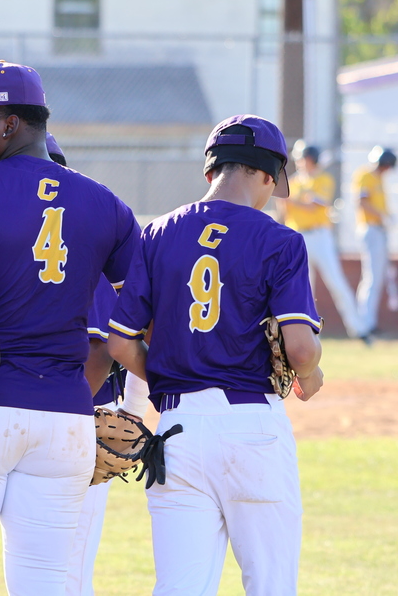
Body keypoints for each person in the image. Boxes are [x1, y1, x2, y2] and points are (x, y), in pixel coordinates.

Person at [0, 61, 141, 595]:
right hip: (64, 418)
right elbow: (141, 312)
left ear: (9, 124)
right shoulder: (106, 202)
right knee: (46, 582)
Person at [107, 114, 324, 596]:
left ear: (211, 170)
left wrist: (168, 374)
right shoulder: (280, 240)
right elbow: (301, 350)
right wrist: (311, 371)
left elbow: (121, 342)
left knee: (180, 588)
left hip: (176, 430)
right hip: (251, 425)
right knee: (270, 586)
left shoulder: (157, 233)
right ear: (268, 174)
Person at [45, 135, 149, 596]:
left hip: (72, 420)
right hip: (54, 419)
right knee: (56, 568)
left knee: (63, 569)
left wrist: (60, 415)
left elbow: (102, 351)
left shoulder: (77, 253)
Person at [278, 142, 366, 340]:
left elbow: (314, 205)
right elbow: (284, 212)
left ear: (312, 159)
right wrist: (287, 202)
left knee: (336, 282)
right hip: (298, 237)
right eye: (300, 159)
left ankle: (358, 329)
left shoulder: (323, 179)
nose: (302, 163)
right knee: (303, 287)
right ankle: (308, 334)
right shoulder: (293, 181)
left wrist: (290, 200)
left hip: (320, 236)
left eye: (305, 159)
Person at [352, 145, 395, 335]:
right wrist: (382, 217)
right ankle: (366, 322)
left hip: (379, 230)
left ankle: (369, 321)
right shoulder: (365, 175)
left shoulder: (377, 178)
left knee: (376, 277)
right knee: (372, 277)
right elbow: (362, 202)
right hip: (371, 229)